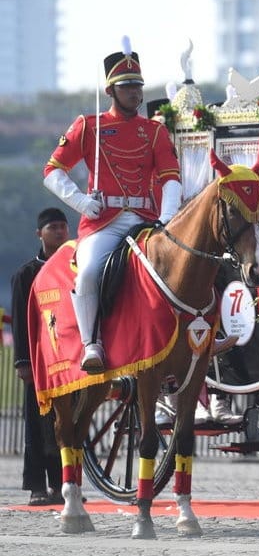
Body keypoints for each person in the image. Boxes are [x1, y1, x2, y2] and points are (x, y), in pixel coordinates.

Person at [41, 37, 182, 374]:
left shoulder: (155, 131)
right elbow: (52, 171)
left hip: (148, 219)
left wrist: (166, 217)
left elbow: (172, 178)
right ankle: (92, 344)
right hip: (103, 221)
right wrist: (80, 201)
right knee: (88, 272)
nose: (136, 92)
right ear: (111, 90)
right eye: (127, 86)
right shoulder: (89, 126)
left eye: (139, 86)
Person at [10, 208, 71, 505]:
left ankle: (64, 485)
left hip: (67, 360)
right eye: (54, 227)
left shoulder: (75, 269)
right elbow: (20, 321)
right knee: (37, 424)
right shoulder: (26, 274)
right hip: (37, 361)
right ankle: (37, 486)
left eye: (63, 226)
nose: (60, 232)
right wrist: (23, 361)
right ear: (40, 234)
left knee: (66, 423)